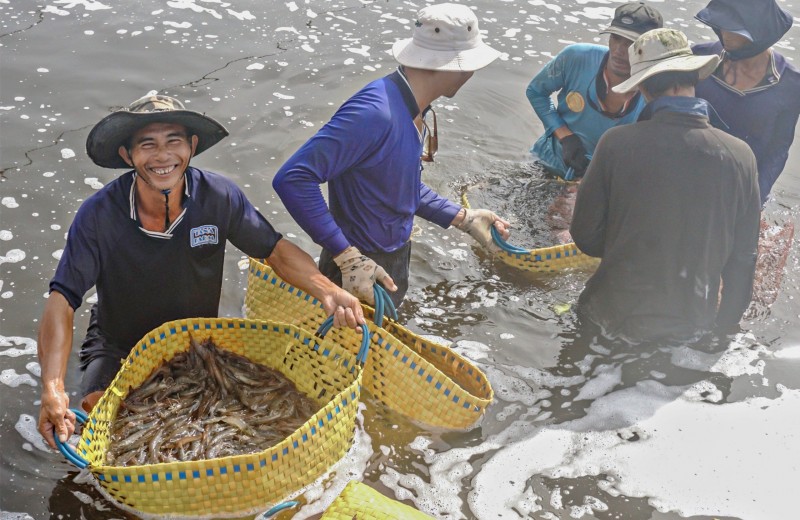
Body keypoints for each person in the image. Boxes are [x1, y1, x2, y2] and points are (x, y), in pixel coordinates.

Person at [37, 94, 365, 450]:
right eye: (147, 145)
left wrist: (328, 290)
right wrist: (52, 389)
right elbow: (63, 300)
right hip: (120, 344)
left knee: (250, 425)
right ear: (126, 155)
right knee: (100, 428)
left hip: (196, 345)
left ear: (192, 146)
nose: (162, 157)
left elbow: (275, 251)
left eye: (173, 142)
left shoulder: (219, 197)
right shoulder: (98, 216)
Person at [272, 3, 510, 309]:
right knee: (345, 355)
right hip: (359, 268)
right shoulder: (374, 113)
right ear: (455, 65)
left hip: (391, 258)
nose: (472, 73)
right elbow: (293, 179)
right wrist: (346, 257)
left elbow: (397, 186)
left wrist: (464, 218)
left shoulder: (414, 108)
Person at [569, 28, 761, 343]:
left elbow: (586, 238)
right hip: (690, 327)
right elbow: (743, 259)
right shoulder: (740, 156)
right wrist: (721, 330)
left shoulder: (616, 144)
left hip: (609, 318)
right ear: (692, 77)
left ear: (642, 86)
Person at [526, 2, 663, 180]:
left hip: (599, 182)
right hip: (547, 160)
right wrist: (564, 136)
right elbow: (536, 92)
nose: (619, 50)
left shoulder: (656, 92)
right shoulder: (576, 57)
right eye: (615, 37)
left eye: (632, 43)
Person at [693, 0, 799, 205]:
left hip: (742, 187)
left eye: (735, 29)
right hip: (694, 178)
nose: (726, 34)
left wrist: (755, 198)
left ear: (759, 31)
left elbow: (778, 150)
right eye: (722, 26)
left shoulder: (791, 84)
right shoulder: (698, 58)